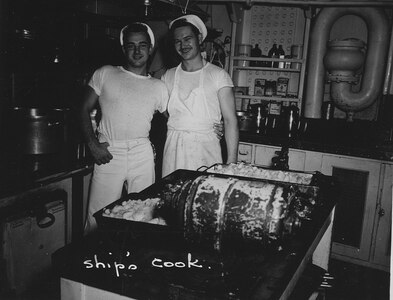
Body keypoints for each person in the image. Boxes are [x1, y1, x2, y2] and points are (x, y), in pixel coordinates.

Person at [80, 22, 169, 233]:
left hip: (142, 154)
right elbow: (82, 109)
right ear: (123, 49)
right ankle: (92, 263)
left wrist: (214, 126)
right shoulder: (106, 73)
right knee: (97, 217)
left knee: (144, 214)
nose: (137, 50)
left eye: (142, 45)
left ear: (150, 48)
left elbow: (174, 119)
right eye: (131, 45)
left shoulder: (158, 87)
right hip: (109, 152)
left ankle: (136, 263)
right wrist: (92, 144)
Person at [161, 15, 239, 177]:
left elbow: (230, 120)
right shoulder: (167, 76)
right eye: (177, 41)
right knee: (172, 196)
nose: (183, 45)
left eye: (187, 38)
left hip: (205, 148)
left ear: (199, 39)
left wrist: (231, 163)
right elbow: (162, 108)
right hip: (174, 148)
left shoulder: (218, 75)